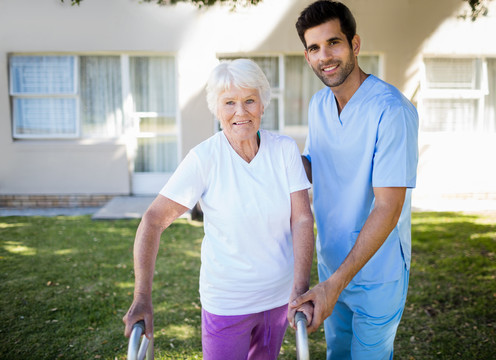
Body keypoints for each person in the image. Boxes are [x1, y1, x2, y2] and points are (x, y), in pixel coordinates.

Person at [123, 58, 315, 360]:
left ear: (263, 104)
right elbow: (153, 220)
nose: (241, 112)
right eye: (229, 103)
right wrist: (141, 297)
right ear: (216, 109)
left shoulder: (284, 150)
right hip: (227, 304)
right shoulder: (204, 158)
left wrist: (301, 288)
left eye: (250, 100)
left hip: (278, 299)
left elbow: (302, 218)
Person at [289, 1, 419, 359]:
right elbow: (315, 165)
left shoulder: (392, 111)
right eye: (314, 48)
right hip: (331, 260)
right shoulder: (319, 105)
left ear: (355, 44)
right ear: (307, 56)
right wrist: (262, 156)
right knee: (338, 354)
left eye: (334, 43)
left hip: (377, 271)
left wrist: (334, 285)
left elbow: (388, 207)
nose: (325, 56)